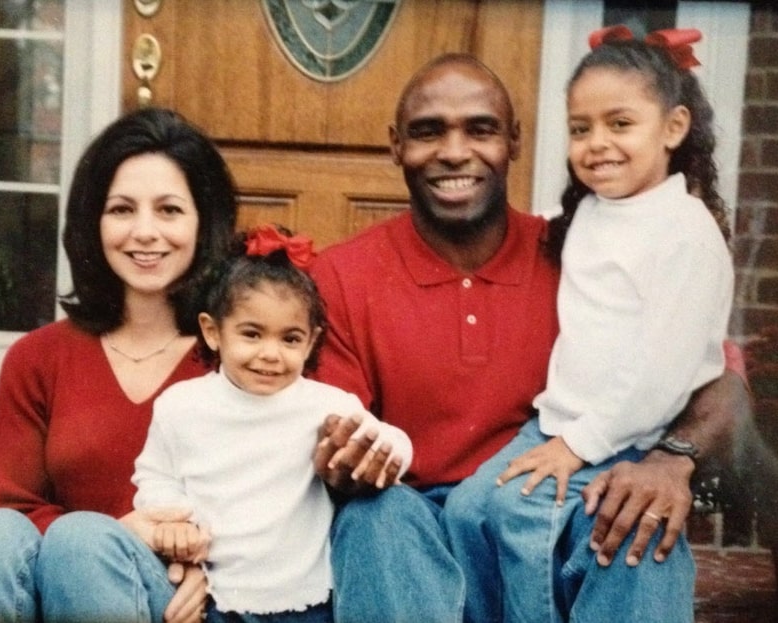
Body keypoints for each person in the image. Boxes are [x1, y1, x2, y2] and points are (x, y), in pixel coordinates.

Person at [309, 52, 748, 623]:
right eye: (427, 132)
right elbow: (324, 429)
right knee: (375, 517)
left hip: (562, 506)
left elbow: (721, 388)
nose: (454, 151)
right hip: (414, 529)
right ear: (395, 146)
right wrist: (340, 459)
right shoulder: (343, 274)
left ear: (515, 140)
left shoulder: (577, 251)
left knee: (637, 515)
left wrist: (672, 461)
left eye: (481, 129)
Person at [444, 26, 734, 623]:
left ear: (673, 129)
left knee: (522, 515)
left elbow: (663, 372)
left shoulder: (684, 232)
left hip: (620, 435)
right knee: (467, 509)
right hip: (558, 423)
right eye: (581, 129)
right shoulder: (592, 213)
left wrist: (580, 446)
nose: (597, 143)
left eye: (620, 124)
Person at [0, 106, 237, 623]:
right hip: (61, 580)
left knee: (82, 542)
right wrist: (122, 530)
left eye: (169, 210)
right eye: (122, 209)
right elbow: (12, 513)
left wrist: (218, 569)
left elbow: (281, 502)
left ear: (204, 223)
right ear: (92, 222)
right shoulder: (38, 358)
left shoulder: (238, 359)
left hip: (177, 598)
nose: (145, 232)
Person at [129, 224, 413, 623]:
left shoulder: (325, 407)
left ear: (312, 342)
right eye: (251, 334)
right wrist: (174, 518)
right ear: (213, 332)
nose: (270, 354)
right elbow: (155, 475)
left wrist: (387, 448)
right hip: (216, 597)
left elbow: (386, 444)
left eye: (290, 339)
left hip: (306, 600)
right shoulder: (181, 406)